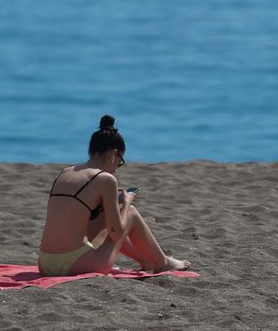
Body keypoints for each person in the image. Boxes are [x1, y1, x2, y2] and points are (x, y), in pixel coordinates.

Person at [38, 115, 191, 276]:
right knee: (130, 213)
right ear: (114, 154)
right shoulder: (106, 179)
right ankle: (163, 262)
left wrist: (108, 201)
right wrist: (126, 202)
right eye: (119, 162)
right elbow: (116, 233)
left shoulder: (65, 171)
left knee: (105, 217)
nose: (117, 168)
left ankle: (146, 261)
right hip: (76, 265)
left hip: (45, 264)